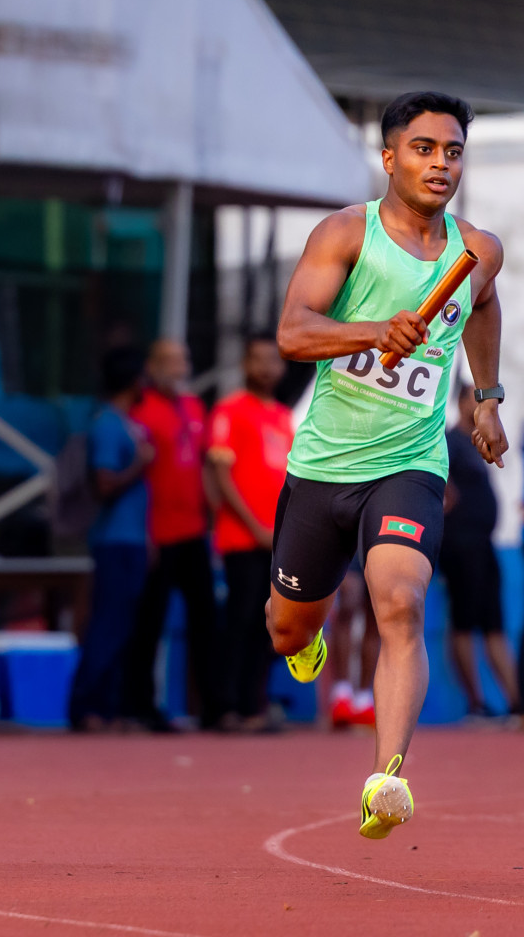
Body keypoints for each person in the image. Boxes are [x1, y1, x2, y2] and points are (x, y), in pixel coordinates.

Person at [270, 91, 508, 839]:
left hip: (409, 462)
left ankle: (387, 779)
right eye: (424, 149)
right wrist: (374, 330)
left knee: (400, 601)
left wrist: (488, 397)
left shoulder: (480, 250)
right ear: (389, 158)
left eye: (452, 151)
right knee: (285, 627)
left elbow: (484, 305)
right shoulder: (347, 234)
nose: (441, 165)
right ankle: (303, 641)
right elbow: (293, 333)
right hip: (324, 465)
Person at [124, 338, 221, 731]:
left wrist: (212, 516)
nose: (179, 368)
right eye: (170, 361)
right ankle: (142, 707)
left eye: (183, 360)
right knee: (150, 622)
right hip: (156, 532)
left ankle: (213, 708)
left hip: (193, 530)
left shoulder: (195, 407)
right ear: (152, 366)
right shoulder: (139, 410)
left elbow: (204, 465)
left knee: (206, 621)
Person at [206, 333, 293, 731]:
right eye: (258, 360)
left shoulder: (281, 416)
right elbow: (220, 475)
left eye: (272, 360)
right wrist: (255, 526)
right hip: (242, 539)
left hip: (274, 542)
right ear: (244, 365)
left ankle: (253, 705)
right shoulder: (229, 410)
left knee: (269, 624)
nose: (266, 368)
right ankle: (226, 707)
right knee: (239, 622)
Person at [67, 346, 151, 731]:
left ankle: (108, 707)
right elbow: (104, 484)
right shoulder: (107, 425)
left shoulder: (123, 421)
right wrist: (140, 464)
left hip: (131, 538)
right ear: (134, 382)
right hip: (115, 540)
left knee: (123, 624)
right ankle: (85, 705)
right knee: (108, 623)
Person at [438, 381, 520, 717]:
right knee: (464, 622)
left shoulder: (475, 442)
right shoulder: (449, 440)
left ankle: (517, 702)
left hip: (484, 545)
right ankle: (475, 703)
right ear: (459, 402)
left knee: (494, 624)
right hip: (461, 545)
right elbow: (438, 483)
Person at [327, 561, 379, 728]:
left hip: (381, 542)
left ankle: (364, 699)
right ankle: (341, 693)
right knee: (348, 604)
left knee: (375, 617)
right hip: (352, 546)